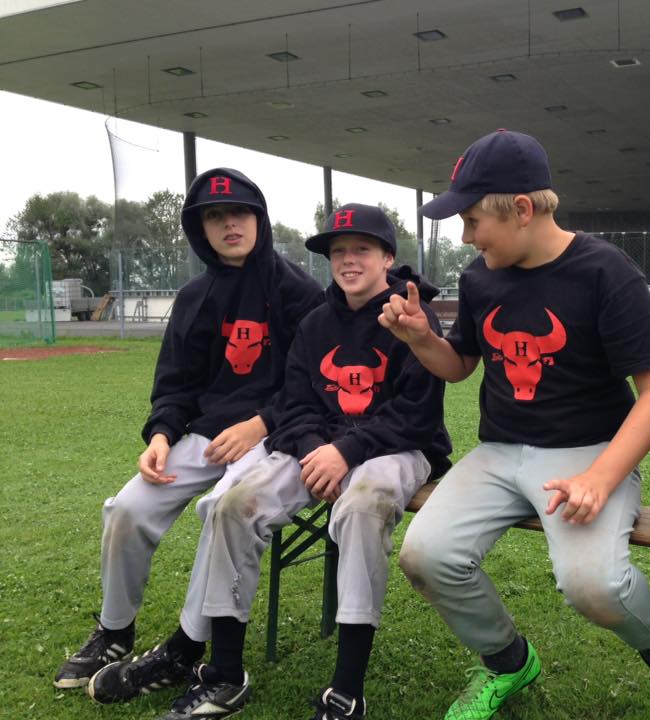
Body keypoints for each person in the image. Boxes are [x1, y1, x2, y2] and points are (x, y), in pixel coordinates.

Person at [379, 129, 650, 720]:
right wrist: (421, 338)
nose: (466, 236)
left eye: (473, 221)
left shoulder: (605, 271)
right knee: (425, 556)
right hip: (500, 451)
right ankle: (507, 661)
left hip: (588, 453)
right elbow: (460, 366)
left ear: (522, 209)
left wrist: (601, 478)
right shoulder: (481, 276)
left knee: (594, 586)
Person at [87, 203, 452, 720]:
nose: (348, 260)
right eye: (339, 251)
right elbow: (296, 400)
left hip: (396, 448)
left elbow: (416, 415)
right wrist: (316, 448)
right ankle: (224, 674)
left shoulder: (412, 315)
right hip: (318, 446)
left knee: (360, 508)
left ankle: (346, 691)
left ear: (388, 257)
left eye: (362, 249)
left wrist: (346, 452)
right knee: (232, 504)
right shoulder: (318, 321)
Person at [54, 168, 324, 691]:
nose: (229, 225)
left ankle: (186, 645)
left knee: (221, 510)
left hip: (274, 435)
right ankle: (115, 629)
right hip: (204, 434)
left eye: (239, 212)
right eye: (215, 216)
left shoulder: (297, 290)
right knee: (128, 508)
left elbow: (313, 381)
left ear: (259, 218)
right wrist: (160, 434)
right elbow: (175, 382)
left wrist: (261, 423)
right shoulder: (195, 295)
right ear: (201, 229)